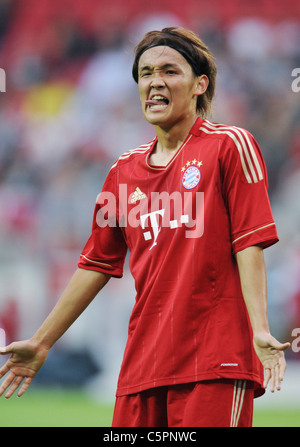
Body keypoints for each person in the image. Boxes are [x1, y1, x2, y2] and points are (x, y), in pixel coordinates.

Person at [0, 27, 290, 427]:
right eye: (146, 72)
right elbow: (96, 264)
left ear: (199, 85)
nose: (155, 81)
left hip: (215, 362)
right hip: (142, 365)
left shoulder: (229, 146)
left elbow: (249, 244)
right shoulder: (122, 172)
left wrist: (260, 329)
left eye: (170, 71)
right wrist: (41, 341)